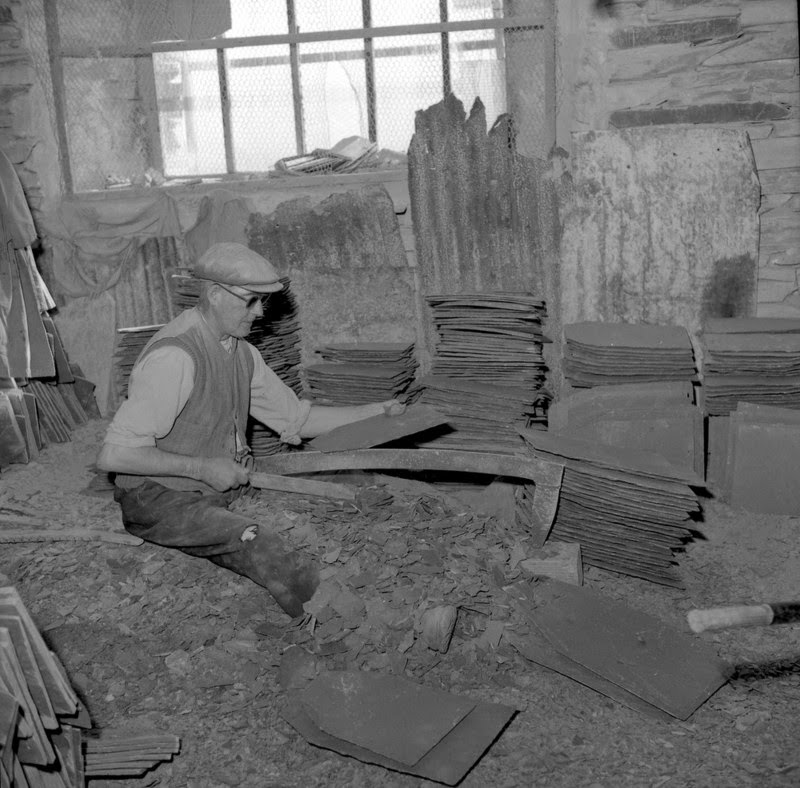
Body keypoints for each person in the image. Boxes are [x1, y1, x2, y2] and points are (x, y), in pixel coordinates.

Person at [97, 242, 403, 618]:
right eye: (251, 301)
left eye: (263, 302)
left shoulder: (240, 352)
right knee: (261, 543)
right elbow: (114, 456)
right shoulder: (174, 357)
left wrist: (375, 412)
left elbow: (297, 419)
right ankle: (340, 620)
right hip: (158, 499)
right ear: (213, 294)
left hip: (210, 489)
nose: (260, 313)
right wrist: (203, 468)